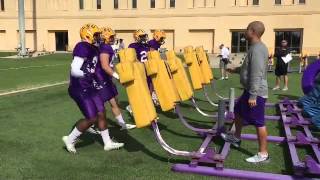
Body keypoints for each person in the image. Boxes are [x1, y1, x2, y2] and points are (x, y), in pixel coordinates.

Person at [62, 24, 124, 153]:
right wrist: (87, 75)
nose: (98, 37)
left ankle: (107, 143)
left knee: (102, 112)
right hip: (79, 88)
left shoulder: (94, 48)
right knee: (92, 118)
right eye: (95, 35)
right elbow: (74, 70)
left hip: (90, 86)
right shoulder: (82, 46)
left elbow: (95, 68)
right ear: (88, 35)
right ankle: (70, 139)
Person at [221, 21, 269, 163]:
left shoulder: (258, 49)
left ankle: (263, 153)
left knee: (259, 122)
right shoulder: (254, 48)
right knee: (238, 111)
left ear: (253, 31)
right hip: (250, 90)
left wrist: (253, 95)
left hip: (256, 92)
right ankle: (236, 137)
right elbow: (247, 68)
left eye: (247, 29)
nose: (245, 32)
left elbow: (256, 73)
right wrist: (235, 69)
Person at [94, 27, 136, 130]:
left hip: (106, 78)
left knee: (114, 101)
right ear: (105, 37)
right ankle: (89, 124)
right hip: (101, 79)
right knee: (100, 106)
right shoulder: (104, 47)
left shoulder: (106, 46)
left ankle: (122, 125)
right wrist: (117, 76)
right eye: (111, 36)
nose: (113, 38)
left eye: (113, 36)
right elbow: (104, 65)